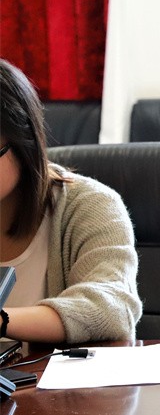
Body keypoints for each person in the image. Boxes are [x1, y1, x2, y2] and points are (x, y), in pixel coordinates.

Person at [0, 59, 142, 343]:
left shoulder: (91, 206)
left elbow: (112, 308)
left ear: (24, 143)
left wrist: (3, 321)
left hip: (55, 374)